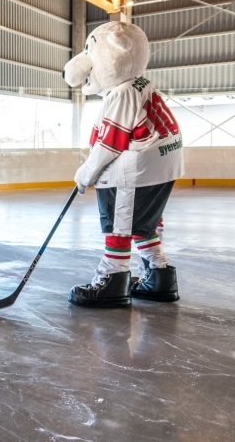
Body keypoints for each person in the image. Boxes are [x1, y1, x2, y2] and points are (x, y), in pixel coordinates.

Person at [62, 21, 183, 308]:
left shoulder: (123, 91)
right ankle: (159, 276)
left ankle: (112, 281)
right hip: (162, 166)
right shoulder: (141, 84)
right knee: (141, 224)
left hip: (135, 168)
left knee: (119, 225)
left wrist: (86, 173)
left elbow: (111, 142)